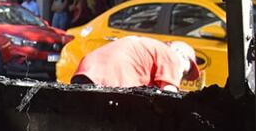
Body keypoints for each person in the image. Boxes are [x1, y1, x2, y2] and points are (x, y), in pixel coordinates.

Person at [71, 36, 201, 92]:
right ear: (182, 55)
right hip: (113, 76)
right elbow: (170, 97)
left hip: (86, 70)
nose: (182, 77)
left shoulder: (149, 47)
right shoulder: (173, 56)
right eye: (185, 72)